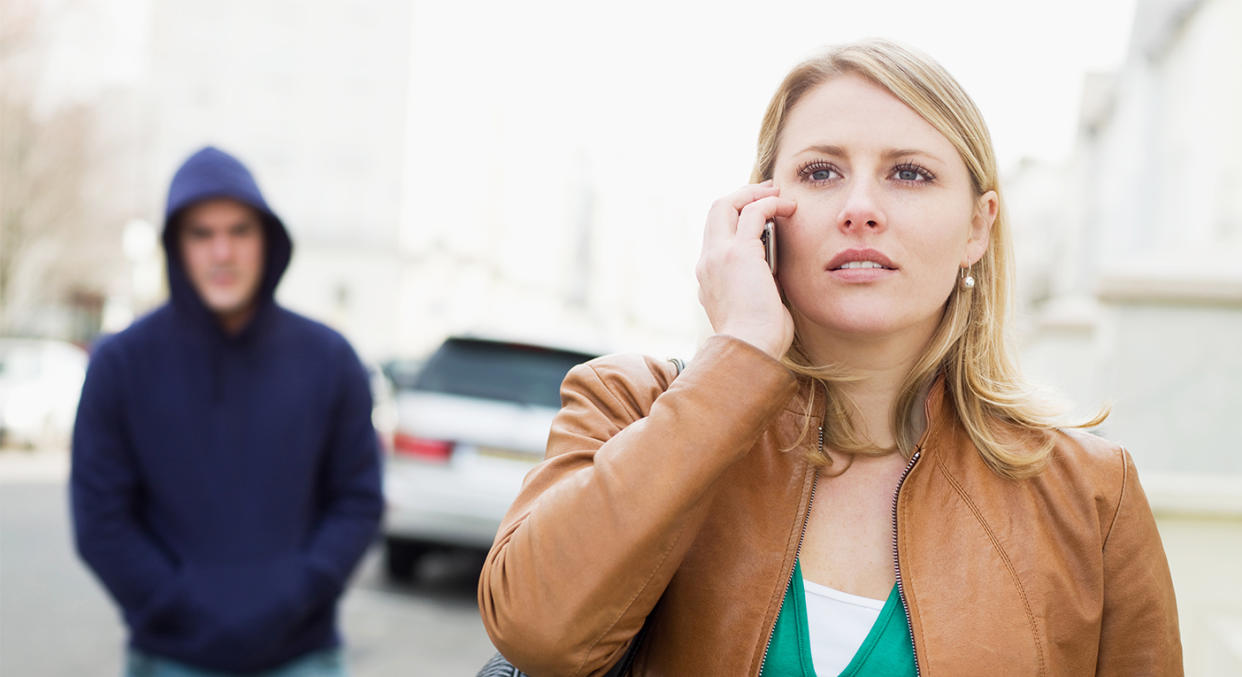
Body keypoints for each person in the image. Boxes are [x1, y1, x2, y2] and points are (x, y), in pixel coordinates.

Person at [477, 40, 1181, 676]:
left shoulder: (1091, 496)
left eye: (909, 173)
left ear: (978, 225)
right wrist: (740, 354)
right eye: (819, 172)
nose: (861, 207)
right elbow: (537, 632)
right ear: (760, 213)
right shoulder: (629, 407)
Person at [71, 146, 383, 676]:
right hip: (170, 655)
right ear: (175, 245)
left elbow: (357, 500)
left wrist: (296, 592)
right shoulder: (121, 364)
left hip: (301, 652)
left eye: (240, 230)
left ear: (268, 239)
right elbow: (101, 518)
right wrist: (176, 601)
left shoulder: (330, 360)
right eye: (201, 233)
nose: (222, 252)